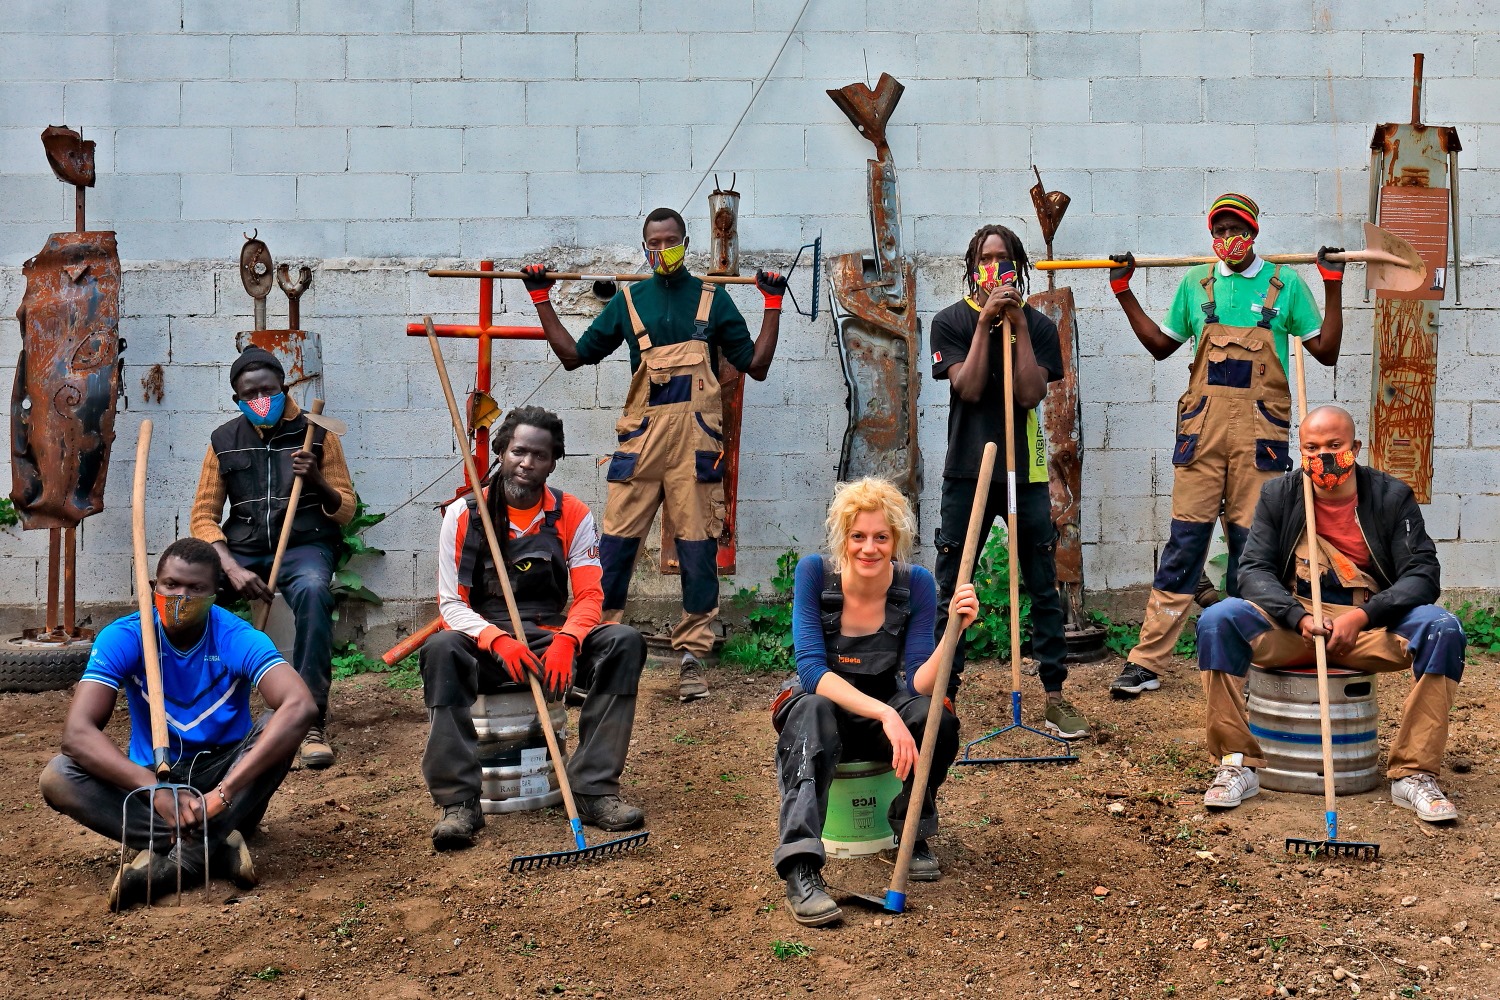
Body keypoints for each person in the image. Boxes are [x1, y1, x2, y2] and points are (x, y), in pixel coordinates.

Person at [519, 207, 787, 703]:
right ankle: (598, 648)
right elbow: (574, 356)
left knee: (697, 552)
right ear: (644, 248)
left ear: (686, 243)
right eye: (654, 243)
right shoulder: (630, 301)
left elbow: (758, 365)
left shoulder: (715, 299)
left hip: (696, 446)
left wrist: (772, 303)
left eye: (671, 241)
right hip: (640, 445)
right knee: (615, 549)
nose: (663, 251)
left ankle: (692, 658)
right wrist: (541, 299)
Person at [1107, 193, 1346, 698]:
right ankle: (1146, 661)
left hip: (1259, 441)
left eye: (1237, 230)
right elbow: (1160, 346)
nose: (1227, 241)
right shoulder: (1197, 283)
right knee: (1183, 548)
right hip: (1201, 439)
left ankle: (1243, 651)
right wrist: (1123, 290)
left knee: (1250, 552)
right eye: (1219, 231)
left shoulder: (1285, 285)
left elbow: (1325, 351)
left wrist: (1333, 284)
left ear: (1254, 233)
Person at [1194, 405, 1464, 822]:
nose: (1322, 457)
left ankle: (1414, 773)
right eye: (1312, 448)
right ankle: (1236, 763)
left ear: (1355, 448)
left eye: (1334, 446)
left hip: (1369, 625)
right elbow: (1252, 571)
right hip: (1296, 625)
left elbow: (1422, 574)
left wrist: (1363, 617)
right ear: (1300, 452)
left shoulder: (1390, 496)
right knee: (1217, 621)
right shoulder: (1280, 495)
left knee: (1442, 629)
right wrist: (1296, 617)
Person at [39, 538, 316, 910]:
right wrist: (154, 788)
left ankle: (181, 856)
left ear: (215, 593)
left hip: (227, 783)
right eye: (171, 585)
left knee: (279, 725)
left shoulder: (236, 637)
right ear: (154, 586)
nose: (180, 597)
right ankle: (215, 847)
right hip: (154, 780)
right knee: (58, 775)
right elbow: (77, 734)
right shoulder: (126, 635)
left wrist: (222, 795)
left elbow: (299, 705)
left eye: (195, 588)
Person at [419, 406, 648, 850]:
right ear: (501, 452)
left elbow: (589, 596)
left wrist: (567, 641)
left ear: (553, 461)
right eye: (519, 451)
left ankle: (593, 788)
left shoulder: (572, 514)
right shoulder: (465, 515)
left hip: (549, 639)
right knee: (441, 649)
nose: (527, 462)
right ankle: (459, 802)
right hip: (484, 644)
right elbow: (451, 603)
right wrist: (495, 639)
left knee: (623, 641)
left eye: (539, 455)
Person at [770, 478, 979, 927]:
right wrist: (884, 712)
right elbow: (811, 671)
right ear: (843, 538)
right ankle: (801, 868)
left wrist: (954, 630)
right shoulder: (814, 575)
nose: (869, 548)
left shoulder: (915, 585)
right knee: (811, 709)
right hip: (822, 712)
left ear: (896, 540)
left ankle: (909, 830)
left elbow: (923, 680)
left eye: (881, 537)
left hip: (882, 714)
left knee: (935, 717)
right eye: (858, 536)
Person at [929, 223, 1085, 739]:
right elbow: (969, 388)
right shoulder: (949, 321)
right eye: (985, 259)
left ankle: (1055, 697)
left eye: (1003, 259)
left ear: (1017, 267)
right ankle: (942, 695)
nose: (994, 268)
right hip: (968, 471)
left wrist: (1015, 323)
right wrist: (983, 326)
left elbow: (1028, 394)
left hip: (1025, 472)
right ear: (973, 268)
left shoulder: (1038, 326)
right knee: (953, 584)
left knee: (1042, 581)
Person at [191, 346, 355, 768]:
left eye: (269, 389)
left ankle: (310, 719)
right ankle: (197, 708)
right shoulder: (223, 441)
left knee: (315, 592)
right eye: (251, 394)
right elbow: (204, 517)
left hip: (303, 545)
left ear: (284, 387)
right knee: (187, 595)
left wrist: (316, 477)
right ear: (237, 400)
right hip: (243, 549)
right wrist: (229, 567)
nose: (261, 398)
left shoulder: (317, 434)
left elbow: (346, 509)